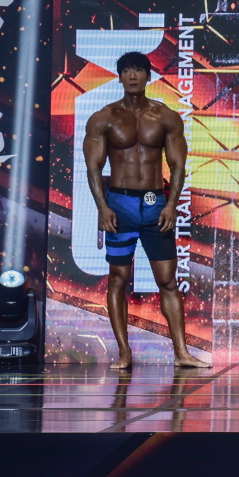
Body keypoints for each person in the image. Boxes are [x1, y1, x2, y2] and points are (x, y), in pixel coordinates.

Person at [83, 52, 207, 370]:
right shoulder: (104, 118)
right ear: (119, 77)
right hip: (120, 205)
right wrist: (102, 207)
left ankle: (181, 353)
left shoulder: (166, 116)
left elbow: (178, 165)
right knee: (118, 278)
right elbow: (93, 167)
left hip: (154, 205)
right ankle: (124, 353)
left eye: (139, 70)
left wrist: (171, 204)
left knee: (167, 281)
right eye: (127, 71)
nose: (133, 76)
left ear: (148, 76)